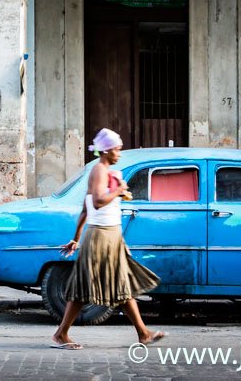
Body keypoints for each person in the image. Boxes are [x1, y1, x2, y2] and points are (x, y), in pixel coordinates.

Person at [50, 127, 165, 350]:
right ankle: (61, 334)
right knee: (85, 288)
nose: (119, 154)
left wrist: (76, 238)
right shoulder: (100, 170)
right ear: (106, 151)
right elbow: (97, 203)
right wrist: (119, 190)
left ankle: (143, 333)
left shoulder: (106, 172)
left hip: (110, 235)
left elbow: (85, 208)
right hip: (101, 235)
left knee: (120, 285)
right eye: (117, 149)